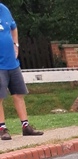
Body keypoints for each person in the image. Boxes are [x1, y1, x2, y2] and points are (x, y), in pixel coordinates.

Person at [0, 3, 43, 140]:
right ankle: (2, 129)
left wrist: (16, 44)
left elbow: (13, 27)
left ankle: (26, 126)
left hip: (12, 63)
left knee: (19, 94)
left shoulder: (4, 9)